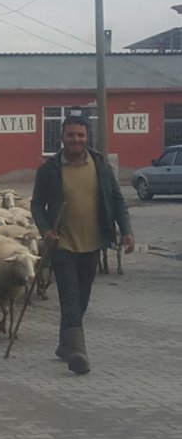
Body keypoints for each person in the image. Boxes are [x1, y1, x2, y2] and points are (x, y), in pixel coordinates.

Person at [31, 112, 134, 375]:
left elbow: (118, 200)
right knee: (70, 299)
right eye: (70, 135)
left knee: (82, 300)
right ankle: (78, 353)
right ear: (62, 138)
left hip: (93, 245)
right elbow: (36, 205)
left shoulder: (100, 166)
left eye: (80, 135)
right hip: (62, 244)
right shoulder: (49, 169)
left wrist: (126, 230)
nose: (75, 140)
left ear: (87, 137)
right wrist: (45, 231)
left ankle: (65, 345)